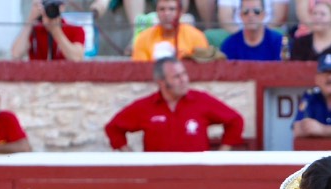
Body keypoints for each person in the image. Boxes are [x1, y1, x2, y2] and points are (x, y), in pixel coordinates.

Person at [104, 57, 244, 152]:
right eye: (177, 77)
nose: (184, 80)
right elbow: (113, 128)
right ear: (161, 82)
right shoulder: (145, 106)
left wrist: (220, 156)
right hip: (157, 181)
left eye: (184, 74)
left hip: (196, 178)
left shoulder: (201, 101)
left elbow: (235, 120)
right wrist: (132, 159)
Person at [131, 0, 208, 61]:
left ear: (181, 13)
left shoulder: (197, 37)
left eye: (172, 9)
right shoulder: (143, 38)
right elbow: (139, 71)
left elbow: (204, 70)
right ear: (156, 12)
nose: (167, 13)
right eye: (162, 9)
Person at [10, 0, 86, 61]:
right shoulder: (34, 29)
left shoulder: (76, 29)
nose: (50, 8)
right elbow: (16, 54)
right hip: (37, 77)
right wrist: (30, 20)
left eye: (54, 4)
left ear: (62, 6)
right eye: (45, 4)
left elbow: (77, 58)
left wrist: (56, 31)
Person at [217, 0, 288, 35]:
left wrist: (259, 34)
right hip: (235, 32)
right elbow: (225, 19)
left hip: (269, 31)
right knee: (211, 35)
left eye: (257, 11)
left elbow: (279, 18)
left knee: (280, 34)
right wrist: (244, 35)